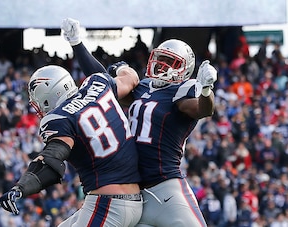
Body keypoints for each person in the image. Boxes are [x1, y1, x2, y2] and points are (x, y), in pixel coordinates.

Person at [62, 18, 217, 226]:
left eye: (171, 63)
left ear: (185, 70)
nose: (162, 66)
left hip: (165, 189)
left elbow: (203, 109)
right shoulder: (142, 88)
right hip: (132, 190)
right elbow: (101, 84)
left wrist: (206, 90)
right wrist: (77, 43)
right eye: (161, 59)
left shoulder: (181, 91)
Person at [0, 32, 143, 226]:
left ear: (49, 95)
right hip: (133, 200)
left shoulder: (59, 117)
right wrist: (121, 66)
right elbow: (131, 78)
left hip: (108, 204)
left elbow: (52, 160)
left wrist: (21, 188)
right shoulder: (98, 84)